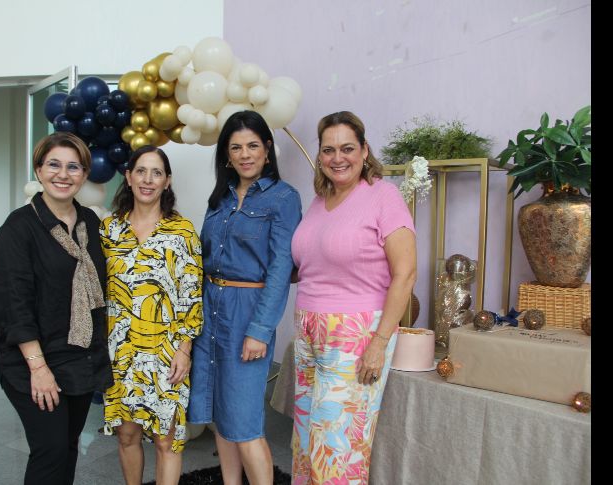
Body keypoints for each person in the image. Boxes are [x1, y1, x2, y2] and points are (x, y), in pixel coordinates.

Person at [290, 111, 417, 484]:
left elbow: (405, 273)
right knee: (306, 439)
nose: (337, 157)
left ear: (364, 150)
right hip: (308, 330)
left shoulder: (383, 195)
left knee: (337, 448)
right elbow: (310, 265)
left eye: (347, 148)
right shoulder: (320, 201)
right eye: (328, 150)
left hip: (356, 334)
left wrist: (380, 343)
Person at [0, 131, 112, 485]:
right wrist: (39, 369)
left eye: (73, 166)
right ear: (39, 170)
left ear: (84, 174)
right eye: (54, 165)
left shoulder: (90, 221)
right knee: (50, 449)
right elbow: (14, 305)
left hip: (79, 355)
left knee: (69, 446)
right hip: (33, 360)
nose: (63, 174)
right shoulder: (18, 228)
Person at [188, 110, 302, 485]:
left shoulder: (284, 198)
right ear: (226, 154)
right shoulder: (219, 198)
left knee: (245, 420)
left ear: (267, 150)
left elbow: (280, 269)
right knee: (221, 414)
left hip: (247, 314)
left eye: (253, 145)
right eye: (235, 147)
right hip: (211, 311)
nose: (245, 154)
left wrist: (261, 330)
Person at [100, 145, 203, 485]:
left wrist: (184, 350)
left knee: (166, 440)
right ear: (128, 177)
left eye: (156, 172)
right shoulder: (108, 231)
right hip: (121, 353)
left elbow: (192, 298)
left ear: (167, 181)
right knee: (127, 436)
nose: (148, 179)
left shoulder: (182, 232)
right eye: (141, 171)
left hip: (167, 354)